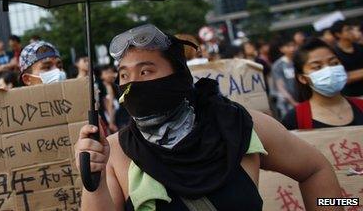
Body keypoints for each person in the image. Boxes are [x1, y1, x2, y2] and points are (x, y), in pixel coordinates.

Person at [70, 24, 340, 210]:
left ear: (179, 75)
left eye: (146, 71)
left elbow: (316, 169)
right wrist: (93, 180)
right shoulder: (116, 152)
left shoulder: (239, 126)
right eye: (125, 76)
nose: (133, 84)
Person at [0, 41, 66, 193]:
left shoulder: (85, 109)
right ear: (27, 79)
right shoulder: (7, 122)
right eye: (46, 67)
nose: (57, 72)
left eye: (59, 66)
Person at [282, 38, 363, 130]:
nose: (329, 70)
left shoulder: (361, 106)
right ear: (303, 78)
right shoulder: (294, 119)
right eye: (317, 67)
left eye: (334, 63)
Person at [330, 20, 363, 97]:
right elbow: (342, 77)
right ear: (338, 34)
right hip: (352, 96)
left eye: (352, 29)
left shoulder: (360, 47)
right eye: (348, 30)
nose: (352, 32)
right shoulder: (333, 54)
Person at [269, 38, 300, 118]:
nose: (292, 48)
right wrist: (294, 103)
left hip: (300, 98)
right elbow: (281, 87)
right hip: (286, 103)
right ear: (281, 49)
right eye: (288, 46)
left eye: (293, 45)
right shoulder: (278, 65)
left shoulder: (299, 61)